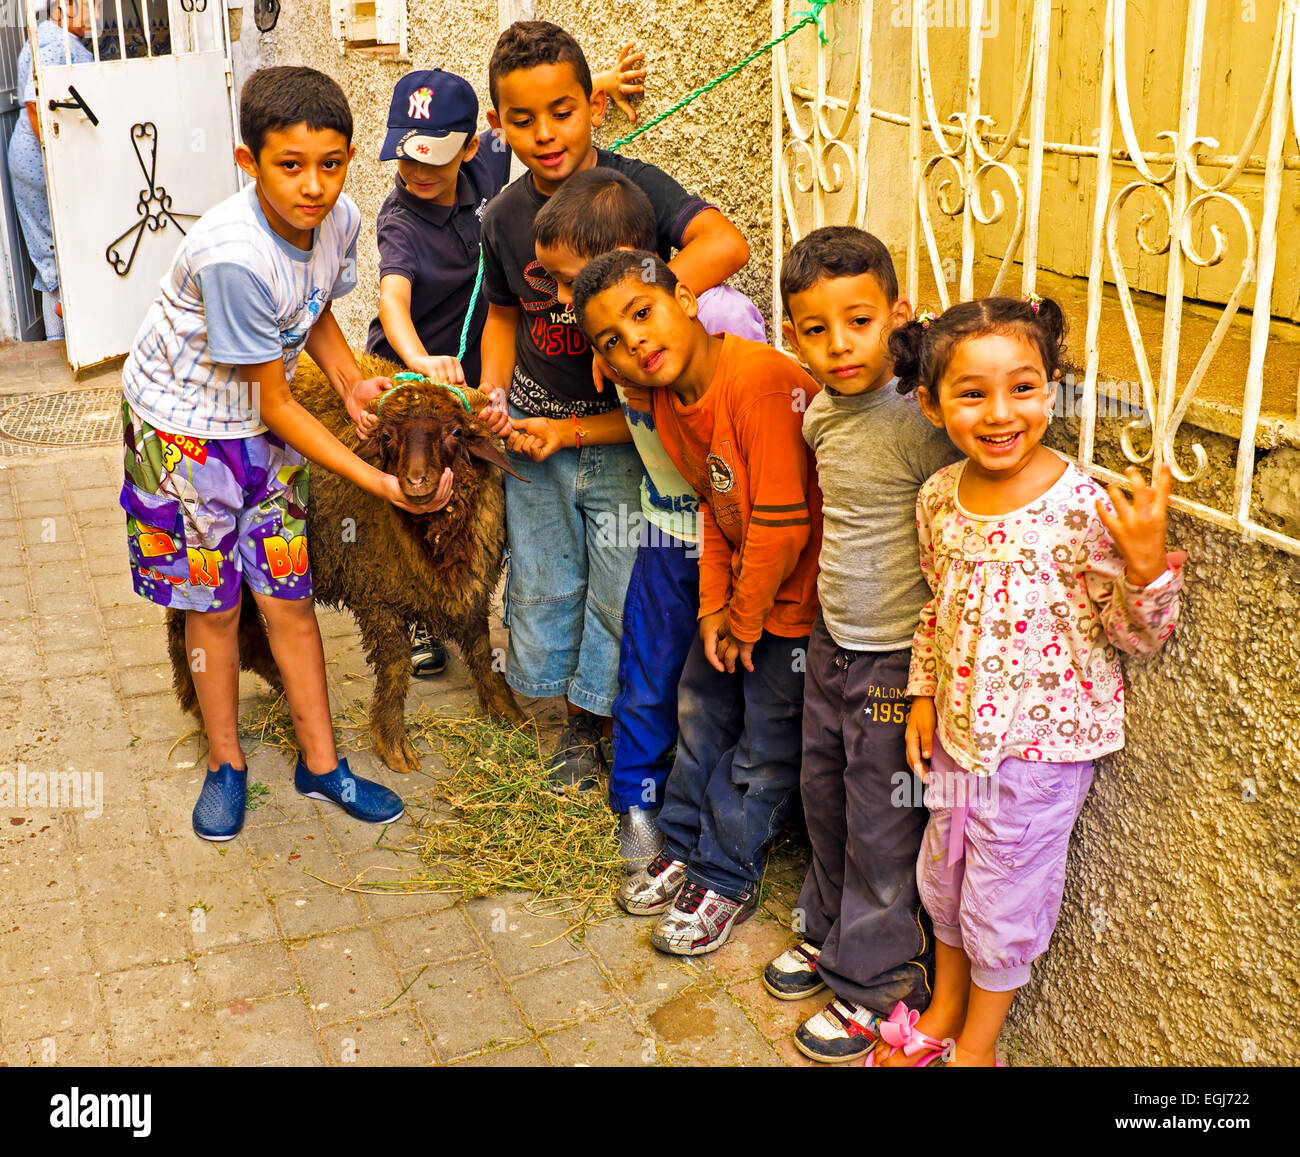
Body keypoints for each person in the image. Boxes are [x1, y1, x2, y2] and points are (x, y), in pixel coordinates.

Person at [118, 66, 506, 842]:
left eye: (331, 164)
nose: (313, 186)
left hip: (261, 417)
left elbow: (316, 304)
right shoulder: (232, 256)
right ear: (247, 162)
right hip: (185, 432)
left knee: (288, 592)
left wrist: (351, 382)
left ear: (352, 158)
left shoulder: (340, 219)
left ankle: (321, 762)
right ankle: (225, 763)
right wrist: (377, 477)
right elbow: (277, 405)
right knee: (215, 603)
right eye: (289, 166)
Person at [869, 295, 1184, 1067]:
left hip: (1040, 748)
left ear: (1053, 389)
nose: (1000, 412)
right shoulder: (939, 497)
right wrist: (919, 695)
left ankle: (979, 1046)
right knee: (943, 875)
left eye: (1023, 386)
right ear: (932, 403)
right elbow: (936, 605)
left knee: (1004, 896)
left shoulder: (1084, 504)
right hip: (954, 732)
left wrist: (1144, 565)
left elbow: (1136, 633)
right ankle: (942, 1009)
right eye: (972, 393)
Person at [479, 20, 750, 791]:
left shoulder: (634, 188)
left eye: (561, 111)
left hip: (628, 439)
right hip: (534, 436)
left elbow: (726, 244)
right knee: (542, 581)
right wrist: (492, 392)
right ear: (497, 123)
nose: (545, 133)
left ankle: (589, 723)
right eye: (522, 119)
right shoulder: (503, 217)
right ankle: (556, 703)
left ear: (592, 105)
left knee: (615, 589)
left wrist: (625, 320)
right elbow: (502, 312)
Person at [361, 49, 646, 679]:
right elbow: (392, 297)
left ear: (468, 148)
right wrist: (415, 359)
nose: (417, 172)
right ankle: (419, 621)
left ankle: (467, 598)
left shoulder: (492, 160)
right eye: (404, 157)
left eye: (432, 157)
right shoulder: (401, 219)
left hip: (474, 370)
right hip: (417, 370)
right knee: (416, 487)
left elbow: (524, 119)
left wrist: (593, 86)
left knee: (469, 493)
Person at [574, 249, 820, 956]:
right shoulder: (667, 399)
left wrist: (743, 621)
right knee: (699, 706)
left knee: (763, 746)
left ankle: (725, 875)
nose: (634, 342)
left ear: (684, 297)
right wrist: (715, 610)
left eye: (642, 313)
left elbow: (781, 527)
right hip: (742, 594)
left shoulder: (761, 383)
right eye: (611, 339)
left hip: (795, 605)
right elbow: (713, 505)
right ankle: (680, 843)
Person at [756, 226, 962, 1063]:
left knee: (883, 820)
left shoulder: (923, 424)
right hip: (832, 639)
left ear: (897, 317)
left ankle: (879, 983)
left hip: (893, 658)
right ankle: (829, 930)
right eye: (815, 328)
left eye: (860, 321)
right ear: (792, 333)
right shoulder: (823, 420)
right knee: (827, 796)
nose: (838, 346)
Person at [525, 167, 765, 867]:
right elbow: (645, 426)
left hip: (732, 539)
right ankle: (638, 806)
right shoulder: (615, 341)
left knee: (727, 687)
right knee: (647, 670)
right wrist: (565, 432)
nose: (563, 303)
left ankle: (718, 831)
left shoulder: (711, 321)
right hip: (664, 533)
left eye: (570, 282)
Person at [7, 0, 95, 339]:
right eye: (93, 7)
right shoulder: (55, 42)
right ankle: (62, 341)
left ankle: (63, 340)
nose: (97, 17)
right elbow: (36, 103)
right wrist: (58, 159)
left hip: (35, 160)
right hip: (42, 164)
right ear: (67, 6)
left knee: (53, 256)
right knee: (57, 256)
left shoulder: (50, 37)